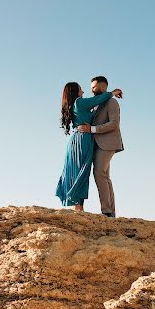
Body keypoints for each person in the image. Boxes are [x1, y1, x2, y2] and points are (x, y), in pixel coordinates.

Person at [56, 82, 123, 212]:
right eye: (81, 89)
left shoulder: (80, 104)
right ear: (75, 92)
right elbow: (97, 99)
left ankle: (81, 208)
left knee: (82, 173)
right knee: (80, 173)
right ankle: (79, 208)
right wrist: (113, 92)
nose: (84, 91)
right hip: (81, 140)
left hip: (83, 139)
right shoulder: (79, 102)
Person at [78, 76, 124, 217]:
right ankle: (110, 212)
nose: (91, 90)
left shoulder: (112, 102)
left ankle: (106, 211)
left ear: (103, 87)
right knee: (105, 176)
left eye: (94, 87)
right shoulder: (97, 103)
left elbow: (114, 124)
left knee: (99, 173)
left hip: (108, 143)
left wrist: (91, 129)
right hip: (96, 144)